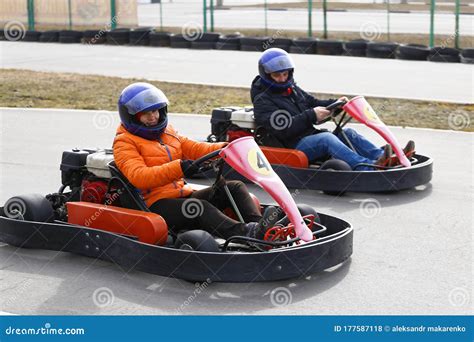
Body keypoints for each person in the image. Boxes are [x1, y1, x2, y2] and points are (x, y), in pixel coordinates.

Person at [113, 82, 278, 240]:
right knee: (200, 207)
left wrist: (226, 147)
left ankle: (259, 228)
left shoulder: (167, 132)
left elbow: (194, 148)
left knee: (233, 187)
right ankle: (246, 234)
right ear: (132, 117)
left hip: (182, 194)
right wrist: (180, 167)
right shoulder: (124, 142)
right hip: (155, 204)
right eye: (146, 114)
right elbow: (139, 177)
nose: (153, 117)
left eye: (156, 111)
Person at [250, 48, 415, 170]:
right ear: (267, 75)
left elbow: (311, 102)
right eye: (277, 76)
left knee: (348, 133)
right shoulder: (262, 100)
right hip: (291, 145)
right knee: (326, 139)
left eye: (285, 74)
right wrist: (312, 116)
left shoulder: (290, 89)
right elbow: (282, 129)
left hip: (308, 135)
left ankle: (383, 158)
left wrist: (336, 103)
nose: (282, 79)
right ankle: (369, 168)